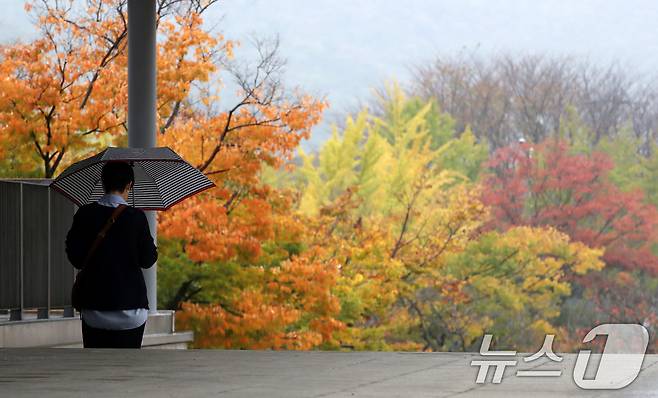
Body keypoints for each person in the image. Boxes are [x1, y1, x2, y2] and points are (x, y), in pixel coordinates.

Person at [65, 161, 157, 348]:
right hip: (132, 310)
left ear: (102, 182)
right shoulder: (136, 217)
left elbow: (76, 258)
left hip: (94, 309)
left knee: (95, 366)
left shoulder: (85, 214)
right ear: (130, 185)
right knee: (128, 366)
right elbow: (148, 260)